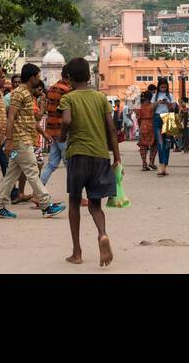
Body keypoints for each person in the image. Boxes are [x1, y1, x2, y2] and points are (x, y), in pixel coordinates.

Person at [59, 57, 120, 266]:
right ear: (87, 75)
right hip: (100, 155)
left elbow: (66, 120)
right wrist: (117, 157)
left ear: (69, 78)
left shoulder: (69, 98)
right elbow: (112, 128)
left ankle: (77, 252)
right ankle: (102, 234)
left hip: (78, 154)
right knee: (95, 203)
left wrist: (62, 136)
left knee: (74, 201)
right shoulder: (100, 98)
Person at [0, 63, 65, 219]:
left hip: (24, 139)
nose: (39, 80)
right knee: (32, 171)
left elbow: (28, 119)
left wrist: (43, 134)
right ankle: (46, 205)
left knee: (11, 175)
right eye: (38, 76)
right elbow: (10, 116)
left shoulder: (26, 94)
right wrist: (9, 140)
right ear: (32, 77)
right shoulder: (19, 93)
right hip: (20, 140)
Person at [40, 65, 74, 185]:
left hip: (52, 131)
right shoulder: (67, 91)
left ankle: (38, 193)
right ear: (70, 76)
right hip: (62, 132)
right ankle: (76, 196)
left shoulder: (52, 89)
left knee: (51, 164)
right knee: (70, 166)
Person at [151, 76, 179, 176]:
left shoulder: (170, 95)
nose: (163, 88)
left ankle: (165, 166)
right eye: (161, 87)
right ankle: (161, 164)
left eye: (165, 87)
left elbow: (173, 108)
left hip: (168, 118)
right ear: (159, 87)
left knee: (167, 143)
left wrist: (167, 103)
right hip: (157, 118)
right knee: (160, 143)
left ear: (167, 86)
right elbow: (151, 108)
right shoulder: (155, 96)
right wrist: (157, 102)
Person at [136, 90, 157, 170]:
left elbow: (138, 118)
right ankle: (151, 162)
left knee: (143, 145)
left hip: (142, 125)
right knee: (154, 144)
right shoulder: (152, 106)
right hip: (151, 125)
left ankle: (144, 164)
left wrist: (140, 125)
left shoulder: (139, 106)